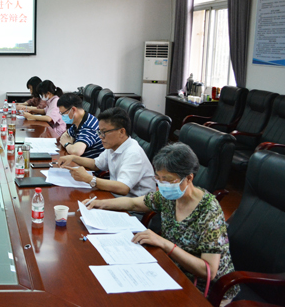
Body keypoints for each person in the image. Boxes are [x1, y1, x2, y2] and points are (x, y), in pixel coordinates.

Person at [83, 143, 238, 302]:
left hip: (206, 289)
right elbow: (134, 203)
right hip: (173, 270)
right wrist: (101, 203)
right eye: (158, 178)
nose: (162, 184)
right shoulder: (169, 197)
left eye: (168, 179)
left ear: (189, 178)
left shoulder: (209, 210)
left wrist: (164, 244)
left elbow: (208, 270)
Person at [58, 107, 155, 197]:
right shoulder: (113, 146)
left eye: (104, 132)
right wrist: (73, 158)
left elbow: (123, 187)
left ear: (121, 132)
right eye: (99, 132)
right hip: (116, 197)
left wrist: (88, 179)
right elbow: (96, 164)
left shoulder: (133, 153)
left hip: (133, 205)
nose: (100, 136)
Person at [57, 93, 104, 158]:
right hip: (80, 160)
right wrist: (71, 146)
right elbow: (65, 136)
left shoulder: (89, 126)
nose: (62, 116)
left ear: (73, 110)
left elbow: (76, 152)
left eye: (63, 113)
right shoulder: (79, 121)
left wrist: (67, 144)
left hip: (90, 163)